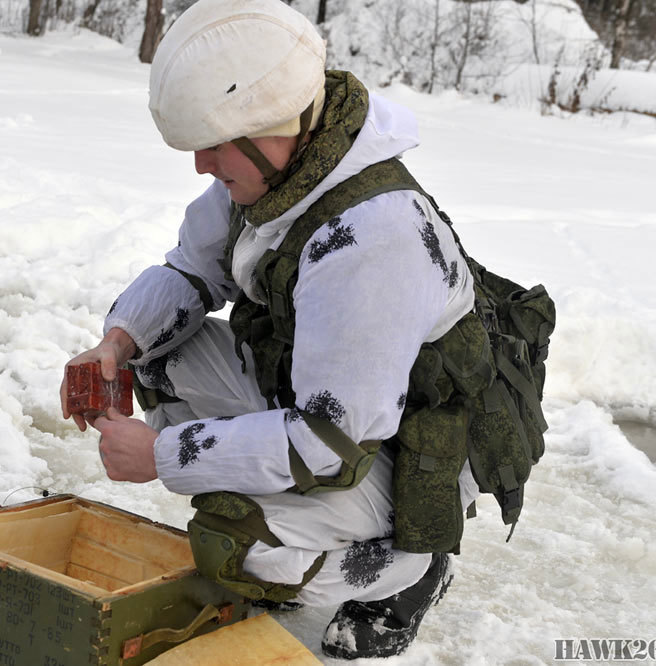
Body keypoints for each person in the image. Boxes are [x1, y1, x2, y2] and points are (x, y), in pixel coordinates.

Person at [60, 0, 480, 658]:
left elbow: (329, 441)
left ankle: (406, 571)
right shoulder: (279, 174)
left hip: (397, 457)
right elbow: (193, 272)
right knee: (156, 355)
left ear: (275, 123)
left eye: (213, 144)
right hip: (319, 408)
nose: (201, 165)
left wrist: (163, 457)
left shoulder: (373, 239)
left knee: (240, 544)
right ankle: (272, 502)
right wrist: (117, 343)